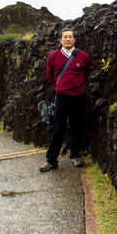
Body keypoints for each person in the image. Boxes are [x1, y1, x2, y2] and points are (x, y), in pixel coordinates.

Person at [39, 28, 91, 172]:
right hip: (62, 97)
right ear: (60, 40)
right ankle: (51, 160)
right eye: (65, 37)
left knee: (76, 127)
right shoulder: (53, 56)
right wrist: (61, 86)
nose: (68, 39)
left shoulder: (83, 56)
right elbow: (50, 75)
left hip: (79, 97)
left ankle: (75, 156)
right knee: (58, 129)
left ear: (74, 39)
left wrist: (77, 86)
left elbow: (87, 73)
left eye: (70, 37)